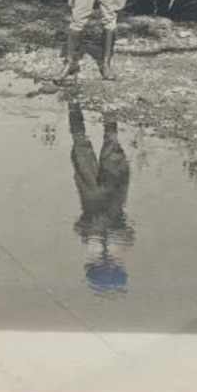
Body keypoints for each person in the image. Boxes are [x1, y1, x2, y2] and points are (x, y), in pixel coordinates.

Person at [68, 104, 135, 295]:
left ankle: (76, 105)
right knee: (105, 144)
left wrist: (94, 238)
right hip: (108, 198)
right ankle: (104, 105)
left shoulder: (95, 251)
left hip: (94, 199)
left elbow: (80, 226)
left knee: (83, 145)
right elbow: (127, 230)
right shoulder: (117, 250)